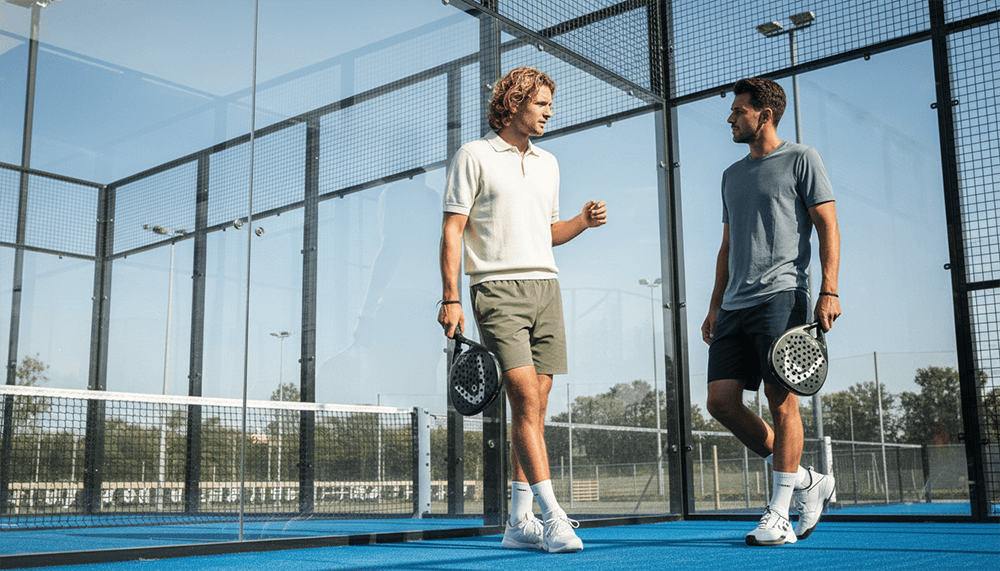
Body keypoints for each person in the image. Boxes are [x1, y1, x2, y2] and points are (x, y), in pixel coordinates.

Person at [437, 66, 607, 553]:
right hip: (496, 289)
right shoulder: (473, 155)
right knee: (526, 402)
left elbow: (546, 232)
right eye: (542, 104)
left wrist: (581, 222)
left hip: (547, 288)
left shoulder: (550, 163)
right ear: (513, 103)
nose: (550, 112)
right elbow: (452, 230)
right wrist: (451, 297)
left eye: (550, 104)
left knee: (536, 407)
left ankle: (517, 521)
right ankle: (553, 516)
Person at [701, 77, 841, 546]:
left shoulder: (803, 158)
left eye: (739, 110)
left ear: (765, 114)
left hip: (783, 296)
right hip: (735, 305)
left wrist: (829, 290)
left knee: (783, 403)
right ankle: (807, 481)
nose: (731, 117)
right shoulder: (730, 175)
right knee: (720, 403)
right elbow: (725, 247)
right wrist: (713, 307)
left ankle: (779, 512)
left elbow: (827, 226)